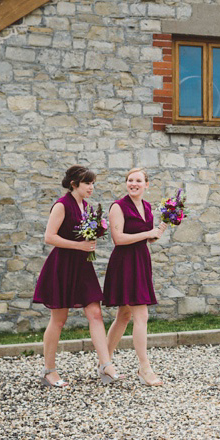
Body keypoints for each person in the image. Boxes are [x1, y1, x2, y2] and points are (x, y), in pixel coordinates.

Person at [32, 166, 122, 386]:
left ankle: (105, 365)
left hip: (83, 267)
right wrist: (79, 245)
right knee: (59, 320)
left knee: (95, 314)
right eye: (87, 183)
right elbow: (49, 237)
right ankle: (49, 370)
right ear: (74, 184)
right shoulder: (61, 206)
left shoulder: (89, 207)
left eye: (93, 184)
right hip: (61, 266)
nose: (91, 188)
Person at [103, 168, 168, 387]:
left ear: (146, 185)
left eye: (138, 180)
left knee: (124, 315)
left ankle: (104, 364)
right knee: (141, 315)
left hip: (141, 260)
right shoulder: (118, 207)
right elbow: (118, 238)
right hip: (124, 263)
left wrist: (159, 230)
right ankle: (144, 368)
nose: (134, 183)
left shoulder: (147, 207)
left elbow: (147, 238)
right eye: (130, 180)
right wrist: (147, 234)